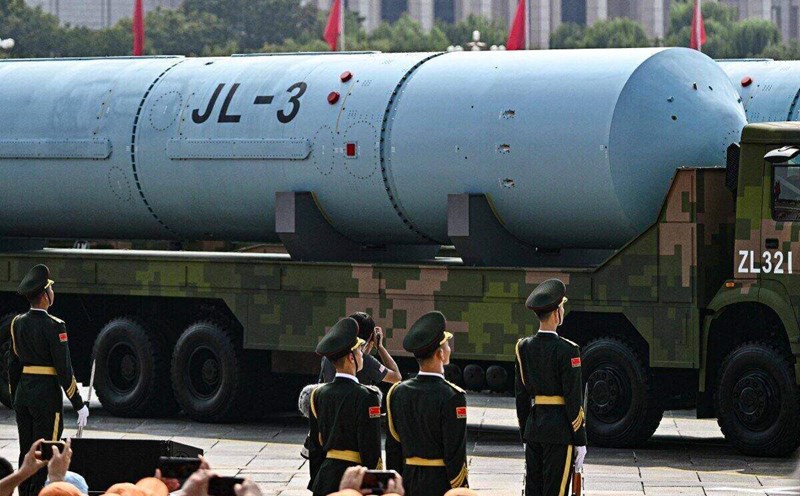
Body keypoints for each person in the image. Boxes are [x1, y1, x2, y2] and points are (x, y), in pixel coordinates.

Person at [7, 264, 89, 496]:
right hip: (46, 397)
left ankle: (24, 493)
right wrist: (78, 403)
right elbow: (64, 369)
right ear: (45, 295)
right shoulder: (55, 325)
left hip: (24, 394)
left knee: (27, 451)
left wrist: (16, 397)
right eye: (51, 289)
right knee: (47, 453)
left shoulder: (17, 323)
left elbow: (13, 364)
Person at [515, 278, 587, 496]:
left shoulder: (523, 347)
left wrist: (525, 435)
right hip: (560, 432)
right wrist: (580, 440)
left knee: (533, 491)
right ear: (556, 313)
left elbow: (521, 397)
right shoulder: (568, 350)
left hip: (534, 429)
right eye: (562, 307)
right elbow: (573, 400)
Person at [385, 311, 468, 495]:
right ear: (440, 354)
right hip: (440, 484)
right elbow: (455, 454)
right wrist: (460, 490)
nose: (449, 350)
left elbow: (393, 449)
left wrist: (395, 488)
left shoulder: (397, 392)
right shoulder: (452, 396)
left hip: (407, 482)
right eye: (447, 345)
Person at [307, 317, 382, 496]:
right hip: (354, 479)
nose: (361, 355)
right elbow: (371, 451)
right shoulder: (366, 397)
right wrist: (376, 487)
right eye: (359, 351)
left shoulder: (317, 395)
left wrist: (318, 481)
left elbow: (315, 449)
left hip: (325, 477)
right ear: (351, 357)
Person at [319, 312, 402, 385]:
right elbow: (396, 377)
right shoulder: (366, 361)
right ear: (370, 336)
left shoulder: (330, 355)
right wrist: (380, 347)